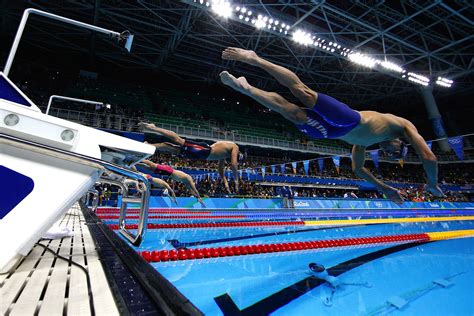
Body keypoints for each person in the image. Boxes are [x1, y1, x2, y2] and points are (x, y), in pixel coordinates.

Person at [220, 47, 443, 204]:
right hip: (349, 119)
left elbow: (357, 169)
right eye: (397, 152)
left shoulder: (364, 144)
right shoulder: (403, 126)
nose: (392, 154)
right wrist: (432, 184)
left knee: (292, 113)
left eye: (393, 157)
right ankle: (255, 59)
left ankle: (246, 89)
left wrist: (383, 188)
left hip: (332, 132)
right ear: (401, 143)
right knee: (303, 93)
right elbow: (429, 157)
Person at [138, 122, 242, 193]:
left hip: (200, 155)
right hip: (203, 150)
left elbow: (220, 169)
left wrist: (225, 182)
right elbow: (233, 164)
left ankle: (149, 145)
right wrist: (236, 180)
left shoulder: (224, 154)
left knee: (170, 148)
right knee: (179, 140)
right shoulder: (235, 147)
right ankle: (153, 127)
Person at [136, 159, 205, 207]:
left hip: (168, 173)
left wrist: (197, 198)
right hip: (169, 171)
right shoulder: (189, 179)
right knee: (152, 165)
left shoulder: (186, 182)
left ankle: (136, 163)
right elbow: (194, 189)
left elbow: (191, 191)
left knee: (149, 168)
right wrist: (199, 197)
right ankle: (139, 159)